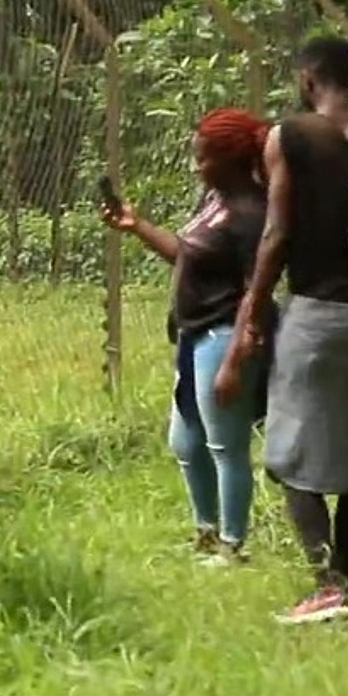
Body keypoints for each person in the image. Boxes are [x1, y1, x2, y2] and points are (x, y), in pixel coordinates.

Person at [219, 35, 348, 624]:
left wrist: (251, 313)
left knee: (287, 453)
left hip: (312, 313)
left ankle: (327, 586)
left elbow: (277, 233)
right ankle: (343, 585)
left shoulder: (291, 136)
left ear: (307, 78)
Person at [101, 107, 273, 566]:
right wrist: (136, 225)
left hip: (225, 335)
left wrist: (236, 359)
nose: (197, 167)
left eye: (203, 158)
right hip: (194, 334)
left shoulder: (252, 213)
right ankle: (206, 534)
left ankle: (233, 546)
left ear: (230, 160)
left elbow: (256, 290)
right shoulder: (213, 199)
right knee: (186, 442)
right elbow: (185, 253)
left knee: (225, 445)